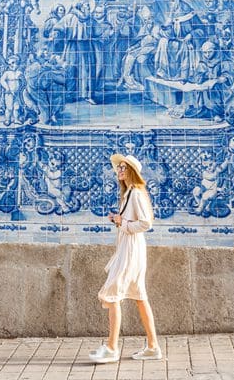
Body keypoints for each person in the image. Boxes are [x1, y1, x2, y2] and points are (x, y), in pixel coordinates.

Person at [89, 154, 163, 364]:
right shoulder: (129, 193)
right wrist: (119, 220)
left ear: (132, 171)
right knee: (139, 296)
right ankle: (152, 347)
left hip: (131, 249)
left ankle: (112, 347)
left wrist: (124, 223)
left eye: (123, 167)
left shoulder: (136, 193)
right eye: (118, 168)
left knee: (112, 292)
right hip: (130, 248)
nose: (119, 171)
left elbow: (146, 223)